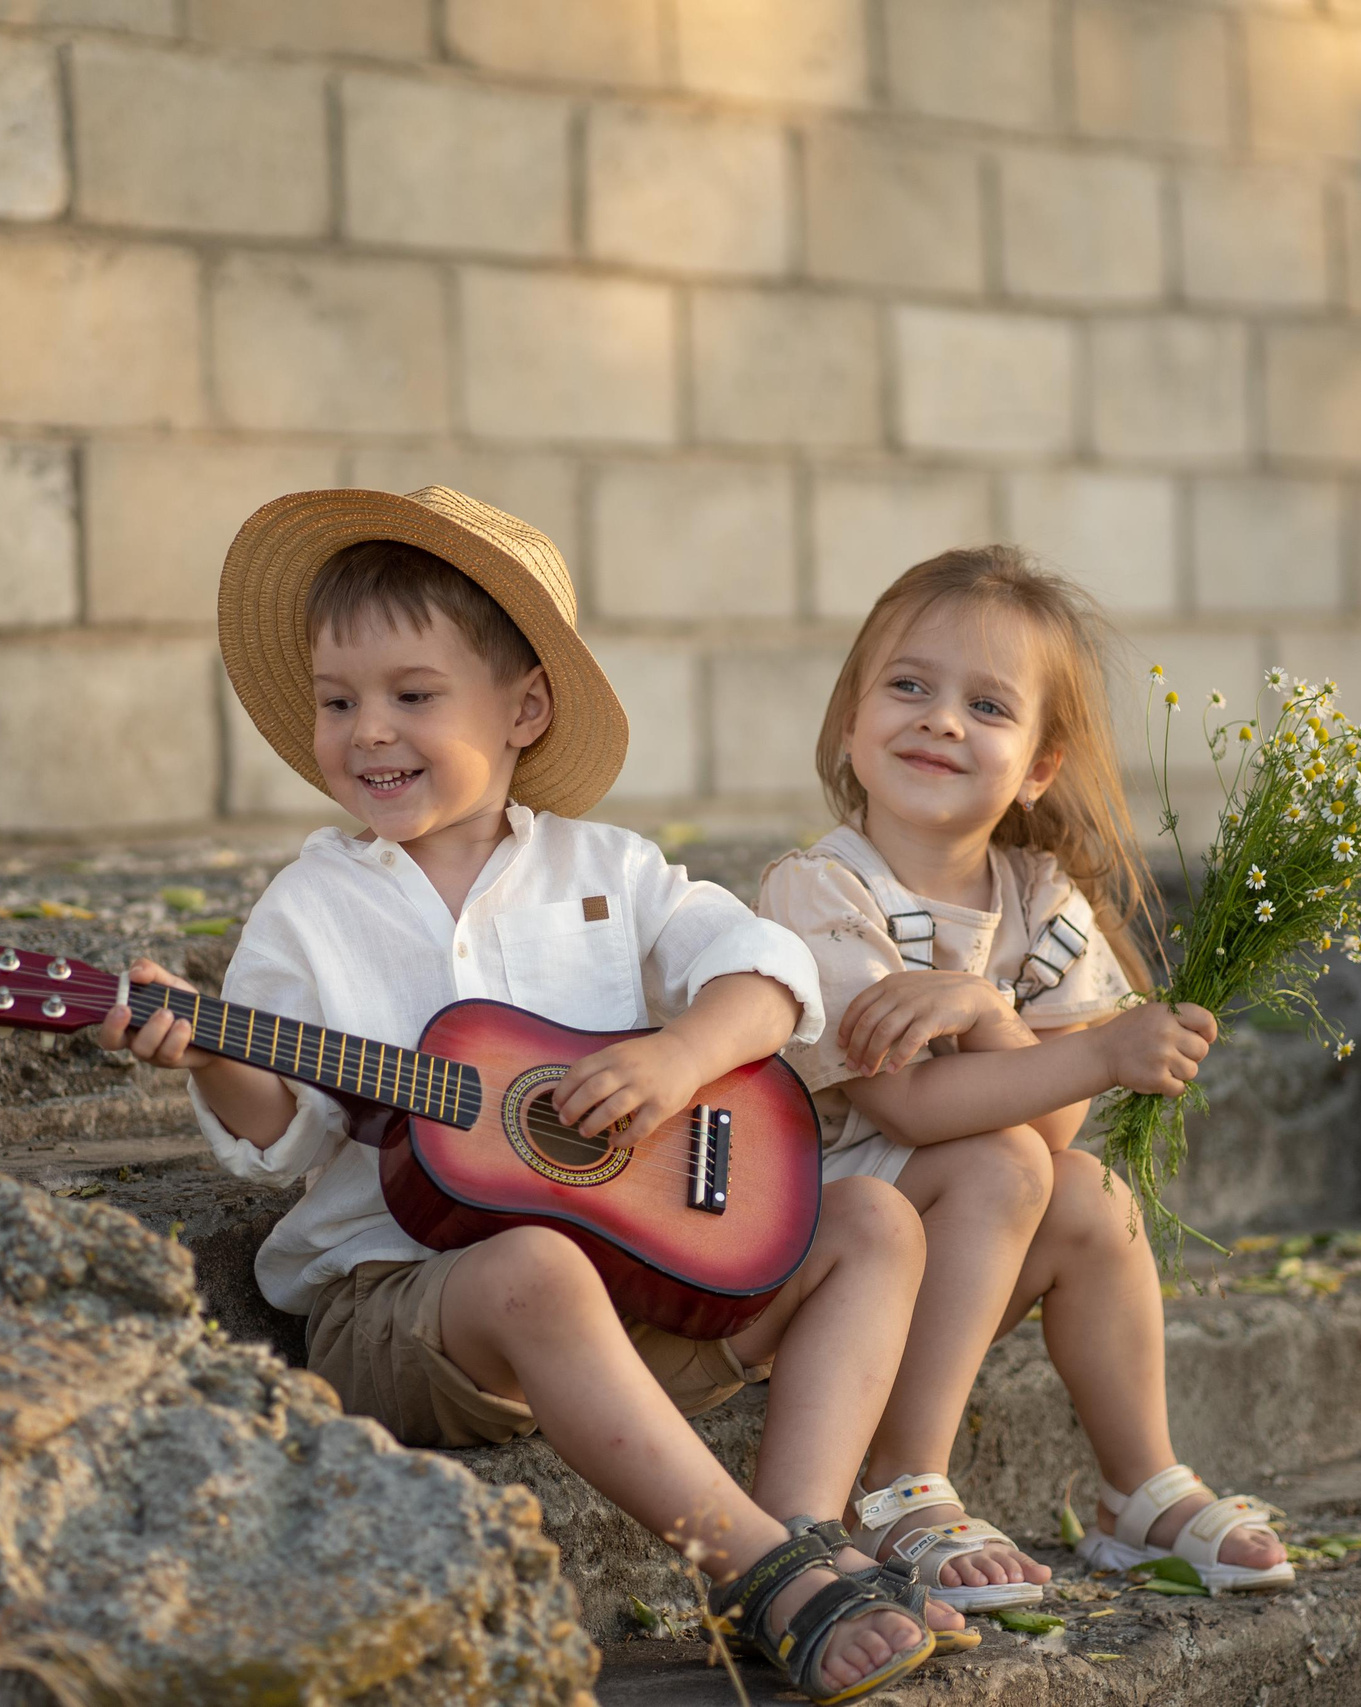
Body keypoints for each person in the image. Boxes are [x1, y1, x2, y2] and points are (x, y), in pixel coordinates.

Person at [98, 487, 965, 1702]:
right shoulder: (311, 912)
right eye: (338, 701)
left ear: (524, 709)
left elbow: (766, 970)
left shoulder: (605, 868)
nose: (367, 732)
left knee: (874, 1220)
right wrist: (210, 1054)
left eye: (412, 695)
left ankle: (797, 1534)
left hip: (630, 1292)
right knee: (533, 1269)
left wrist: (676, 1059)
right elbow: (283, 1138)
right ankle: (741, 1562)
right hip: (408, 1309)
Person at [753, 546, 1296, 1602]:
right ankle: (899, 1483)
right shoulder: (816, 893)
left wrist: (984, 1008)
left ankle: (1138, 1488)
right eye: (907, 686)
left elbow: (1051, 1136)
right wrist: (1080, 1049)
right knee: (1000, 1166)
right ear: (849, 722)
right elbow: (901, 1100)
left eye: (986, 706)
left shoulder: (1040, 898)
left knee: (1090, 1189)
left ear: (1038, 767)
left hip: (953, 1248)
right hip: (820, 1255)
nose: (940, 719)